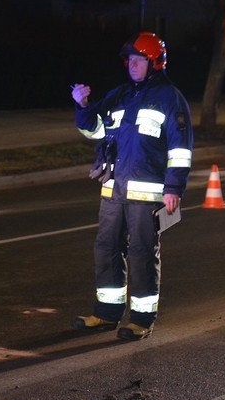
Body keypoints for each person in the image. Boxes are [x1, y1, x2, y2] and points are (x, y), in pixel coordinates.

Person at [70, 32, 193, 341]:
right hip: (114, 189)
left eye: (140, 60)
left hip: (147, 193)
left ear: (155, 63)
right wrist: (83, 104)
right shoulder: (121, 94)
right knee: (106, 249)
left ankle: (141, 318)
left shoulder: (170, 97)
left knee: (141, 253)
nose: (133, 65)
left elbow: (180, 148)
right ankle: (107, 313)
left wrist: (173, 188)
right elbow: (95, 129)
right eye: (130, 60)